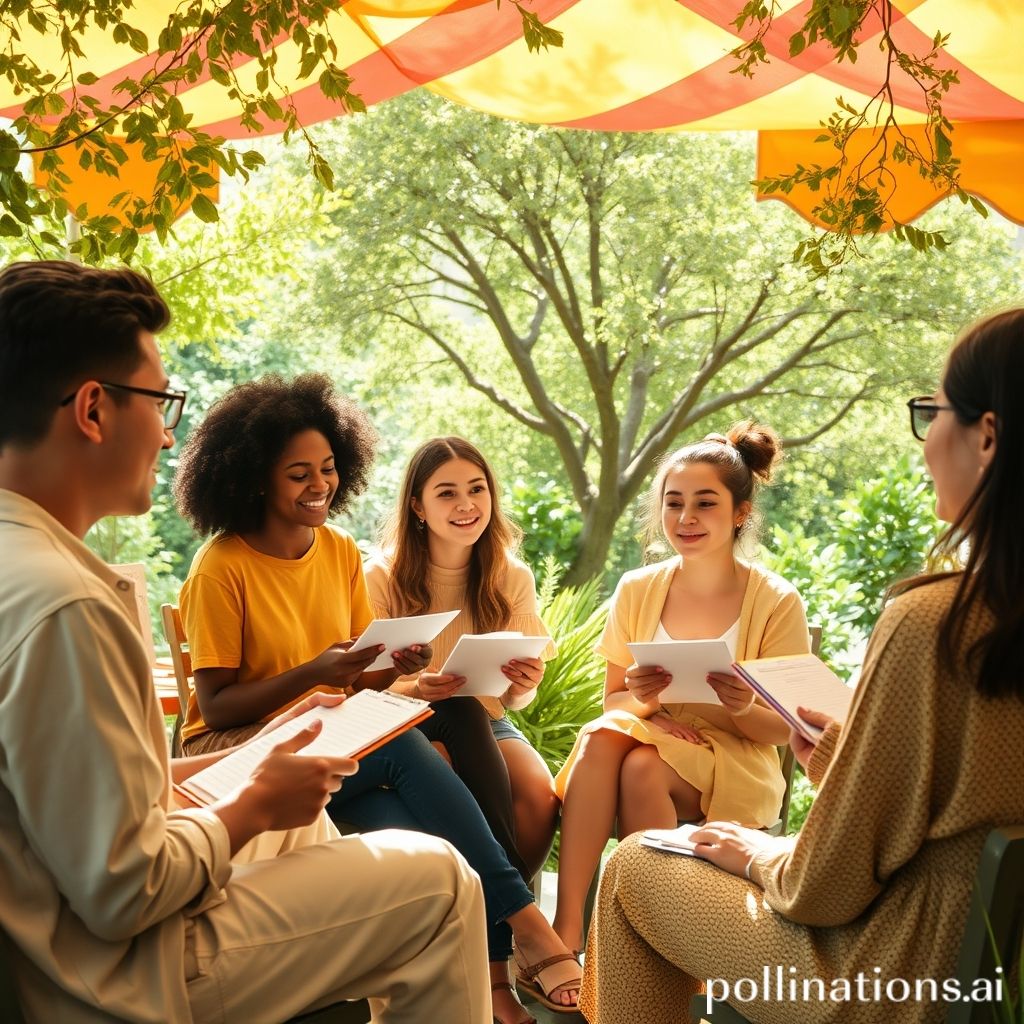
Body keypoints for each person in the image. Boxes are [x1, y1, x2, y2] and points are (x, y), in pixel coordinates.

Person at [0, 260, 491, 1023]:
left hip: (64, 909)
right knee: (437, 879)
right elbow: (122, 890)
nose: (167, 433)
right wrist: (254, 806)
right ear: (93, 410)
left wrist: (247, 760)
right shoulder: (68, 604)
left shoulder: (23, 563)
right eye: (161, 401)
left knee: (310, 828)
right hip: (107, 972)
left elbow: (73, 794)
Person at [579, 309, 1024, 1023]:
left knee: (632, 869)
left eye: (932, 412)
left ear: (989, 436)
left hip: (893, 974)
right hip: (998, 965)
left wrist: (758, 854)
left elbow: (826, 886)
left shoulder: (934, 623)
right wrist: (840, 763)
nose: (926, 442)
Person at [173, 381, 582, 1022]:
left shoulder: (336, 549)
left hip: (324, 727)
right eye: (298, 474)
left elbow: (355, 675)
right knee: (405, 757)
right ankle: (518, 936)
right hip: (241, 746)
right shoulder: (221, 566)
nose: (320, 485)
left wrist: (393, 667)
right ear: (255, 477)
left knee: (462, 714)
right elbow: (218, 708)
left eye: (329, 469)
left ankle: (501, 956)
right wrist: (318, 673)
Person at [551, 421, 809, 955]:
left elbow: (787, 730)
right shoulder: (638, 588)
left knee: (640, 765)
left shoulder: (777, 600)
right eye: (674, 503)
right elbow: (615, 701)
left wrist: (741, 706)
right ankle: (568, 928)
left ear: (740, 513)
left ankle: (646, 949)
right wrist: (646, 702)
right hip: (655, 739)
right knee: (609, 739)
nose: (686, 518)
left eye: (705, 504)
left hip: (737, 759)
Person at [364, 436, 560, 883]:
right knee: (448, 772)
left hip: (486, 719)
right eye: (446, 493)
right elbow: (362, 683)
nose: (466, 504)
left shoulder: (511, 576)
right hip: (402, 724)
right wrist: (417, 686)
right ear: (418, 506)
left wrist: (524, 682)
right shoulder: (379, 577)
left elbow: (514, 701)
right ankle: (498, 923)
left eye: (477, 489)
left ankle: (496, 917)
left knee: (538, 794)